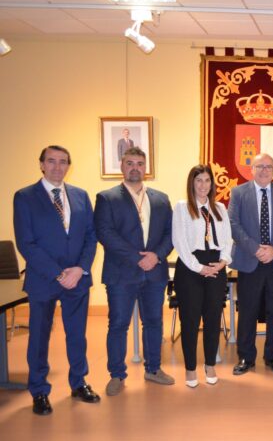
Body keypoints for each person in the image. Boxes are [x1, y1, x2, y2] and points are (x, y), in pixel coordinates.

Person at [13, 145, 100, 415]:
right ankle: (39, 390)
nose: (57, 166)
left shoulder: (80, 195)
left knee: (77, 335)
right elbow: (26, 243)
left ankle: (78, 382)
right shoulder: (25, 197)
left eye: (63, 162)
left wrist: (80, 269)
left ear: (68, 166)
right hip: (43, 279)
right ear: (41, 164)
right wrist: (58, 273)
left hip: (77, 279)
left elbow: (90, 237)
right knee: (39, 338)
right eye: (51, 161)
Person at [95, 147, 175, 396]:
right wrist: (138, 259)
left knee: (153, 322)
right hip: (121, 274)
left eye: (140, 163)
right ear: (122, 166)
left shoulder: (161, 199)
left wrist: (156, 256)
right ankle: (117, 375)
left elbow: (170, 234)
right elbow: (105, 233)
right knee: (118, 324)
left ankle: (153, 369)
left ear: (145, 168)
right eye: (130, 163)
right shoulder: (107, 198)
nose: (135, 168)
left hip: (154, 273)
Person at [228, 153, 273, 375]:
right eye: (260, 166)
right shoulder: (238, 193)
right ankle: (246, 358)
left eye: (269, 166)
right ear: (251, 169)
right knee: (248, 311)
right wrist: (255, 248)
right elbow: (233, 224)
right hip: (250, 260)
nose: (265, 170)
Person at [172, 165, 232, 387]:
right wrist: (199, 268)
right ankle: (189, 368)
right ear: (192, 183)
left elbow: (227, 240)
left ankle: (210, 364)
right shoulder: (182, 208)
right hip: (190, 269)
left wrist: (223, 262)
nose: (203, 185)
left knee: (213, 318)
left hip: (216, 266)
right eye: (199, 181)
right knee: (190, 320)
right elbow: (179, 242)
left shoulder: (219, 208)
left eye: (207, 181)